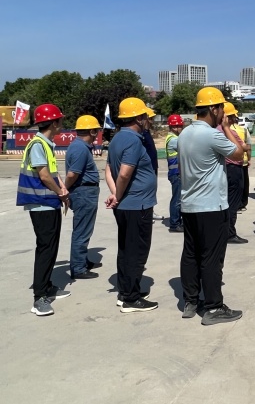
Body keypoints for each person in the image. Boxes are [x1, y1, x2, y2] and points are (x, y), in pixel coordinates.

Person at [177, 86, 246, 324]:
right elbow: (238, 154)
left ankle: (190, 300)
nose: (223, 114)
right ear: (213, 109)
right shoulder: (212, 135)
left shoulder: (184, 134)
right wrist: (226, 128)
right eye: (222, 109)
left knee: (190, 253)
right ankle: (214, 307)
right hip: (211, 206)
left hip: (189, 204)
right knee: (211, 257)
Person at [17, 104, 71, 316]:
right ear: (54, 123)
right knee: (46, 248)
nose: (62, 123)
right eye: (60, 120)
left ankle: (47, 286)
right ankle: (39, 297)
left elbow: (52, 172)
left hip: (48, 203)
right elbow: (44, 175)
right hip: (41, 203)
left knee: (51, 246)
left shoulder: (46, 144)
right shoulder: (38, 144)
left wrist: (62, 188)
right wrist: (60, 193)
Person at [106, 98, 159, 313]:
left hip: (127, 204)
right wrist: (117, 195)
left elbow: (108, 170)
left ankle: (126, 290)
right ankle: (131, 298)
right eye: (145, 116)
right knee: (137, 251)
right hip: (137, 205)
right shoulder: (134, 141)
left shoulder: (117, 138)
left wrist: (114, 194)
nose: (147, 120)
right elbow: (125, 174)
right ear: (138, 118)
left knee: (126, 248)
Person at [64, 115, 103, 280]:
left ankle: (81, 261)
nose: (97, 134)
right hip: (84, 193)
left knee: (84, 229)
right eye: (96, 131)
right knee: (82, 231)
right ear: (91, 131)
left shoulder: (80, 146)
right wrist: (64, 189)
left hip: (85, 192)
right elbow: (72, 174)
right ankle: (78, 267)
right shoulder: (80, 148)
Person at [220, 102, 251, 244]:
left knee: (225, 202)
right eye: (232, 117)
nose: (234, 120)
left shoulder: (216, 131)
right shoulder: (228, 132)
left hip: (224, 170)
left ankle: (224, 231)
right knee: (233, 203)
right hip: (233, 169)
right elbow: (242, 148)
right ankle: (230, 233)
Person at [141, 108, 163, 221]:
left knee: (152, 190)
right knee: (146, 190)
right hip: (147, 167)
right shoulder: (142, 134)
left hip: (153, 166)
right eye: (151, 118)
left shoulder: (147, 132)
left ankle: (151, 211)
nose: (152, 121)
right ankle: (145, 214)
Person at [165, 114, 184, 233]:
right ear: (173, 127)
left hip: (177, 173)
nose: (181, 128)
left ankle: (177, 221)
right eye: (180, 126)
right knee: (177, 199)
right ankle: (174, 224)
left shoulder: (174, 137)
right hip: (176, 173)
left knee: (179, 199)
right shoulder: (174, 140)